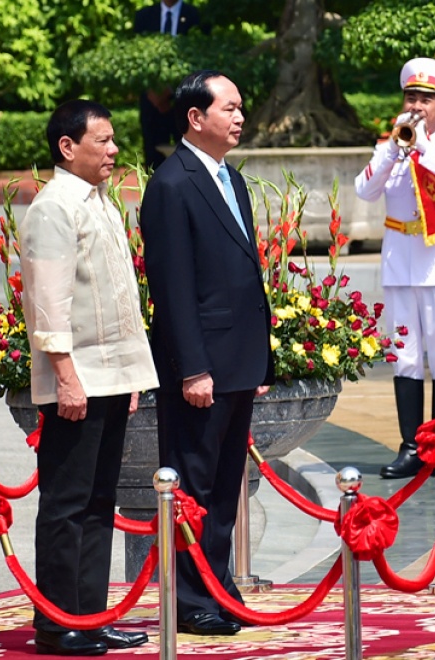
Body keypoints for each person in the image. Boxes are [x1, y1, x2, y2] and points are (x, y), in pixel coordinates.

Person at [20, 100, 159, 655]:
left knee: (101, 500)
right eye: (101, 141)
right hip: (75, 377)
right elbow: (47, 301)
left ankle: (90, 616)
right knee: (67, 501)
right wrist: (67, 378)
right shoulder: (55, 205)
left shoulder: (97, 200)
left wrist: (125, 378)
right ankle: (58, 622)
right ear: (67, 147)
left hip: (109, 374)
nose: (114, 150)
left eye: (114, 139)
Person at [139, 70, 275, 636]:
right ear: (196, 117)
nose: (240, 117)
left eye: (242, 107)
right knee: (193, 482)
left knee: (225, 483)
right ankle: (191, 597)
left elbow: (244, 275)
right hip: (199, 368)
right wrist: (192, 367)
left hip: (237, 360)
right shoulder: (171, 184)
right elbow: (172, 288)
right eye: (230, 108)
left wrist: (259, 360)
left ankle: (218, 582)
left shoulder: (231, 180)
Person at [354, 57, 435, 479]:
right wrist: (394, 149)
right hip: (400, 260)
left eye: (427, 99)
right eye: (412, 97)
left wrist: (425, 148)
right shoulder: (389, 147)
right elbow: (365, 190)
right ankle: (410, 445)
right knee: (404, 358)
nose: (417, 105)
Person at [133, 0, 203, 170]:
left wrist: (172, 92)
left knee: (189, 155)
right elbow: (136, 57)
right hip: (152, 102)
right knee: (153, 159)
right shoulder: (144, 17)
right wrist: (153, 91)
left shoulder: (195, 16)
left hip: (184, 100)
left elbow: (200, 57)